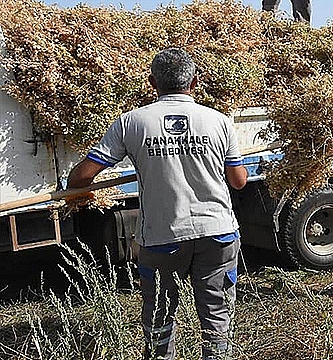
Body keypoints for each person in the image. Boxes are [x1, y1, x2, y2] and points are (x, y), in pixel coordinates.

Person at [67, 48, 248, 359]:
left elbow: (82, 176)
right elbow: (239, 181)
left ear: (152, 82)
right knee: (217, 315)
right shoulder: (218, 121)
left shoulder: (131, 123)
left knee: (160, 315)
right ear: (196, 81)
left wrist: (80, 190)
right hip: (217, 233)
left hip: (163, 237)